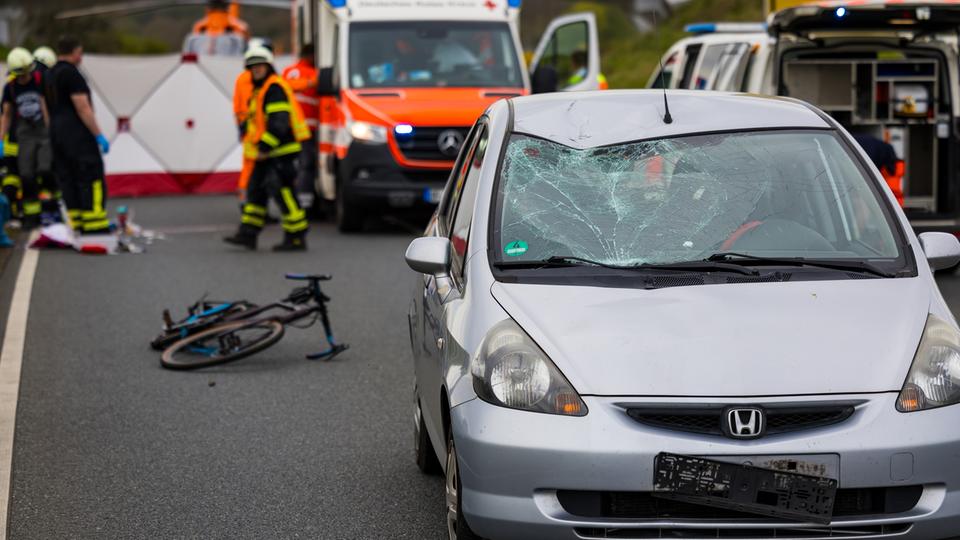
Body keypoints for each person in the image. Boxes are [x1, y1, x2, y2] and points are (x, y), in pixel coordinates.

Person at [224, 46, 310, 251]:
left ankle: (296, 235)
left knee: (284, 194)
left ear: (268, 67)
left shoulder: (274, 88)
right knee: (256, 192)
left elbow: (279, 123)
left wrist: (264, 147)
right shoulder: (260, 90)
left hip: (281, 152)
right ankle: (248, 234)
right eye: (253, 67)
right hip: (267, 153)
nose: (256, 70)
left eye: (260, 66)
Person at [45, 36, 111, 235]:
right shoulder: (72, 74)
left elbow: (44, 107)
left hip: (57, 134)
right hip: (77, 134)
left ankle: (78, 224)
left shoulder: (49, 75)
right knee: (90, 175)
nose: (81, 56)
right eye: (80, 52)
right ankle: (95, 224)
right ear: (74, 52)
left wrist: (52, 132)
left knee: (67, 178)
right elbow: (82, 107)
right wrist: (98, 134)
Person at [0, 48, 50, 229]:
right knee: (26, 175)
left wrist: (51, 131)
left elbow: (45, 106)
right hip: (25, 133)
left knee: (45, 168)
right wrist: (1, 138)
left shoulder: (39, 81)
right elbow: (6, 115)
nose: (25, 76)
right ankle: (31, 217)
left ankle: (52, 207)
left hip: (42, 131)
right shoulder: (11, 88)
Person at [233, 39, 274, 197]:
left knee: (249, 167)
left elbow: (237, 106)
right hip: (257, 128)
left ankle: (248, 201)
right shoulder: (256, 77)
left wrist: (240, 126)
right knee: (256, 169)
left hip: (247, 127)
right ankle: (251, 200)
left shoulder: (241, 77)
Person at [281, 43, 318, 207]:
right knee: (307, 166)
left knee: (289, 166)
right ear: (312, 56)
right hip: (307, 129)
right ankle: (305, 202)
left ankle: (290, 200)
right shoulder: (314, 75)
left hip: (286, 128)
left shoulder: (288, 71)